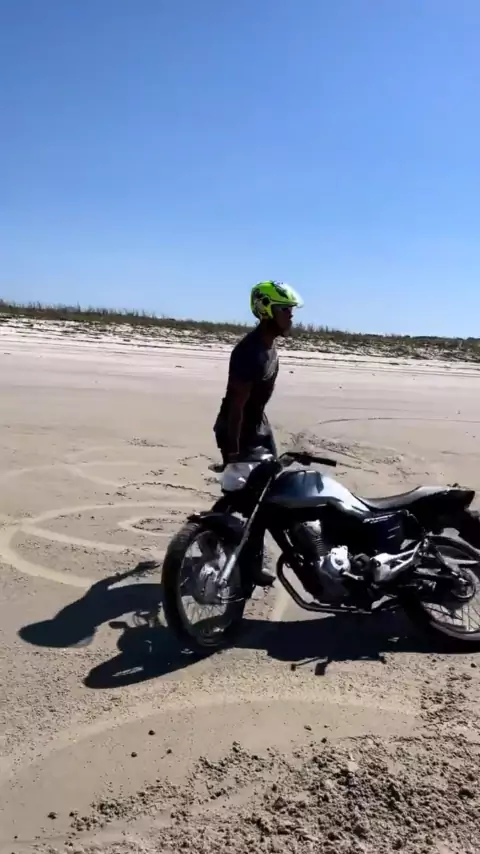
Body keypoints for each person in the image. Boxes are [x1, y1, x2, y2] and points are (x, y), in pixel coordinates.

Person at [213, 280, 304, 586]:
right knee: (244, 499)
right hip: (239, 430)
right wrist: (232, 450)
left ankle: (247, 558)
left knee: (265, 496)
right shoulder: (249, 352)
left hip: (259, 428)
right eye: (285, 310)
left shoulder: (269, 346)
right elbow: (235, 405)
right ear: (267, 311)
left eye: (291, 310)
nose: (291, 315)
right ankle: (216, 544)